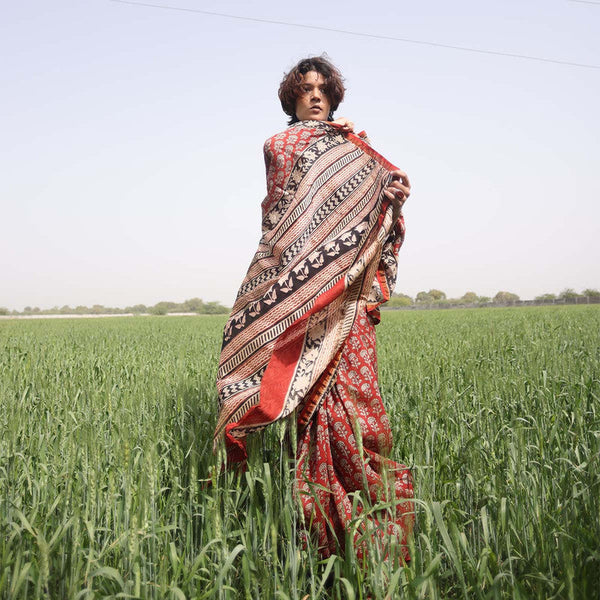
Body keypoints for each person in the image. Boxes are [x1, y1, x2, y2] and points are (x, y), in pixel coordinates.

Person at [214, 56, 414, 560]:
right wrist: (333, 145)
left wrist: (392, 195)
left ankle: (380, 534)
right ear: (292, 98)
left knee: (365, 415)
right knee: (314, 415)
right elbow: (291, 225)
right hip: (308, 309)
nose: (316, 96)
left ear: (335, 96)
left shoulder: (355, 148)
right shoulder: (281, 145)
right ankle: (322, 543)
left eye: (324, 89)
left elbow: (375, 204)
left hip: (349, 306)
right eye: (306, 89)